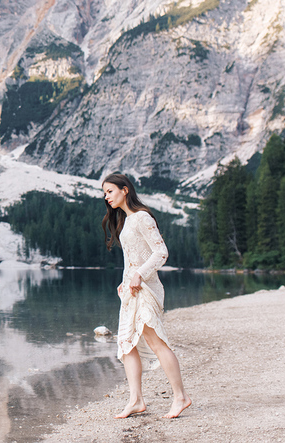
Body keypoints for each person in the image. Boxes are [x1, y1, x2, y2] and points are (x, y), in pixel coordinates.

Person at [101, 173, 191, 419]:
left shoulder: (141, 217)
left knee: (155, 342)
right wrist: (124, 281)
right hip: (131, 291)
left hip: (146, 290)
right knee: (127, 344)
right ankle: (136, 400)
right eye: (104, 193)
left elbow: (161, 252)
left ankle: (181, 397)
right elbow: (131, 257)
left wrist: (139, 275)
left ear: (125, 190)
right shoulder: (126, 221)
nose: (106, 197)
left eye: (109, 191)